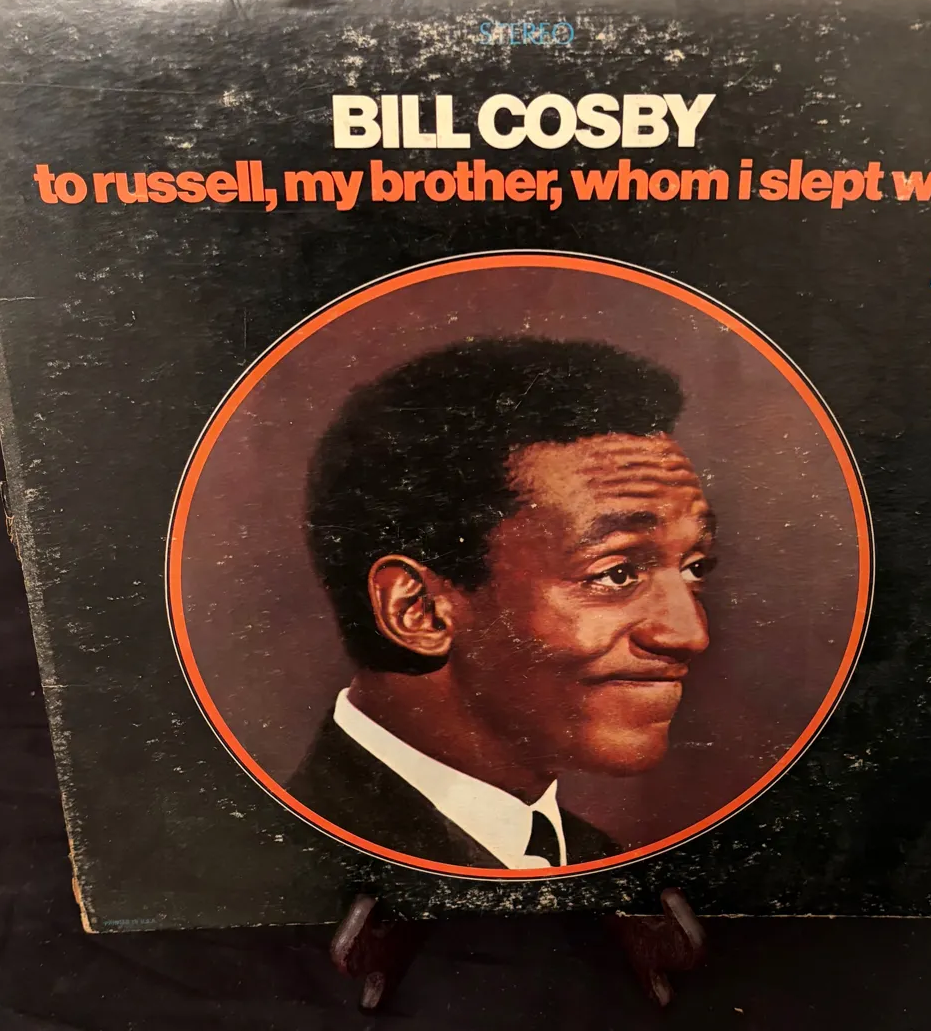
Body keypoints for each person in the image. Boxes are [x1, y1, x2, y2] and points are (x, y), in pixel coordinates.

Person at [288, 336, 716, 869]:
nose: (690, 633)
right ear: (417, 610)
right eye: (616, 573)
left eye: (695, 567)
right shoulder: (285, 865)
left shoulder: (595, 860)